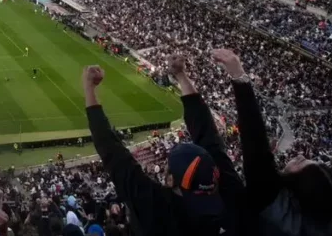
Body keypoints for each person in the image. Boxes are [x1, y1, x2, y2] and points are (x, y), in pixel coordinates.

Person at [216, 49, 332, 236]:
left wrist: (238, 75)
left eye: (302, 163)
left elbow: (255, 144)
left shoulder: (272, 205)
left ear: (296, 187)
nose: (300, 155)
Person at [82, 64, 225, 236]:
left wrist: (89, 88)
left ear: (171, 180)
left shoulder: (151, 201)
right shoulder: (225, 204)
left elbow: (111, 150)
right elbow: (210, 140)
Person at [168, 54, 248, 236]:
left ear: (172, 181)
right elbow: (207, 133)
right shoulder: (235, 196)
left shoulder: (177, 219)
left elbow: (206, 132)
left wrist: (181, 75)